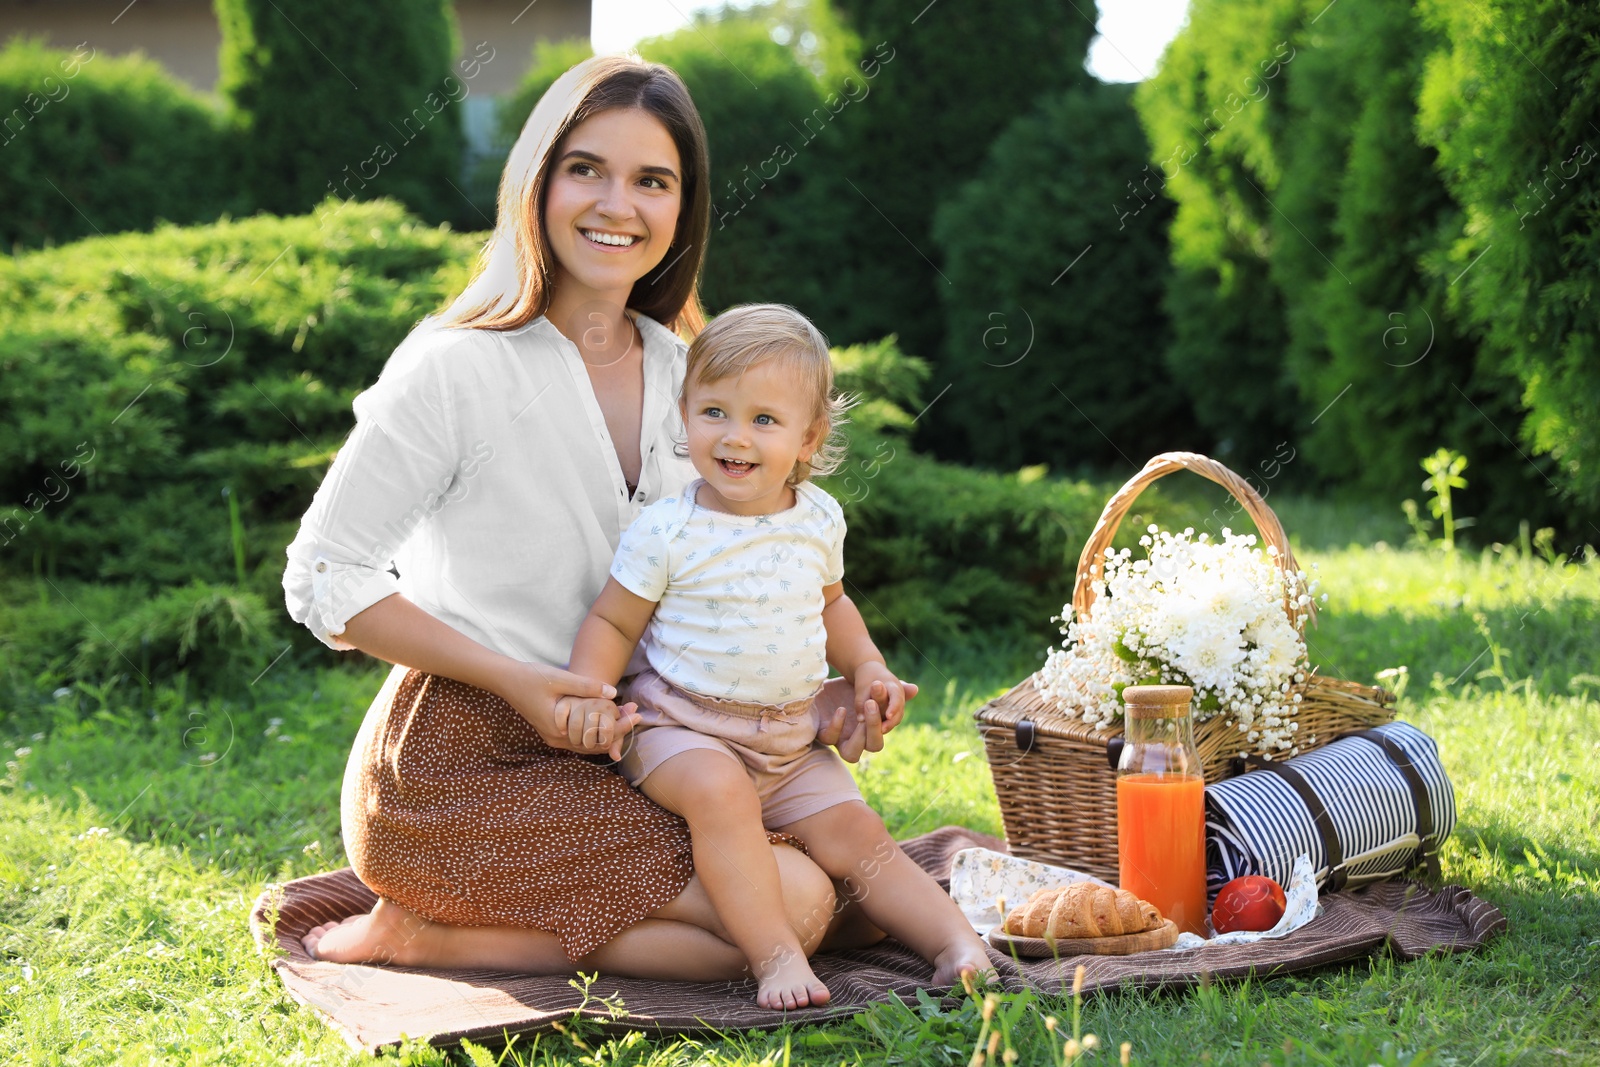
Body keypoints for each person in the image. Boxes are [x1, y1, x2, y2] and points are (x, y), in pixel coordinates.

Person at [285, 54, 905, 981]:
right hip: (457, 768)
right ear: (537, 182)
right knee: (798, 906)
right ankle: (422, 934)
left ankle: (448, 934)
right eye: (586, 169)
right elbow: (322, 574)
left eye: (651, 180)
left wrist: (816, 699)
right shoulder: (455, 367)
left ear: (682, 208)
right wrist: (521, 681)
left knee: (839, 897)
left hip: (634, 748)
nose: (617, 204)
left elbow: (731, 579)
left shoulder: (695, 378)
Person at [559, 304, 994, 1010]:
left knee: (860, 832)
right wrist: (586, 692)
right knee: (719, 791)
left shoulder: (817, 518)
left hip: (790, 737)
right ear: (684, 413)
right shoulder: (667, 530)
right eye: (715, 411)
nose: (735, 436)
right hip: (681, 727)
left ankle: (956, 942)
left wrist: (869, 669)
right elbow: (612, 618)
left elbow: (833, 606)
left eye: (764, 420)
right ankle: (776, 954)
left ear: (808, 437)